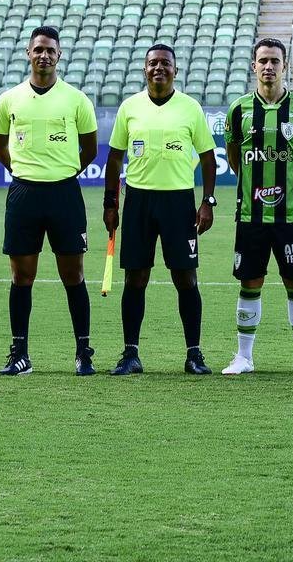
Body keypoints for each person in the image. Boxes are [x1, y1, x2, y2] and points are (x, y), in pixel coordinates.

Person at [103, 44, 217, 376]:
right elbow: (113, 158)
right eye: (153, 63)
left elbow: (208, 159)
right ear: (144, 69)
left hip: (178, 201)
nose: (158, 68)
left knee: (185, 277)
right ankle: (130, 354)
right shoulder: (130, 107)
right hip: (138, 200)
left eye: (165, 63)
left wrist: (207, 201)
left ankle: (194, 354)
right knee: (135, 277)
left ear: (175, 71)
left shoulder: (190, 108)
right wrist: (111, 202)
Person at [0, 26, 99, 376]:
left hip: (65, 193)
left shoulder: (76, 99)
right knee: (22, 275)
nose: (44, 55)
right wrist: (24, 171)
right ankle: (20, 354)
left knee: (74, 274)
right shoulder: (10, 99)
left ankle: (83, 351)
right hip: (24, 194)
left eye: (50, 50)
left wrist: (62, 172)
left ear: (59, 55)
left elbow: (91, 148)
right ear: (28, 53)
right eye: (38, 49)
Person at [221, 38, 293, 375]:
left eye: (274, 61)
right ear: (253, 66)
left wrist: (284, 184)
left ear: (284, 66)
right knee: (250, 282)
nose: (268, 67)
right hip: (250, 215)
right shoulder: (238, 111)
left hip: (290, 213)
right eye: (262, 60)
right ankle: (244, 357)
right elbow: (235, 159)